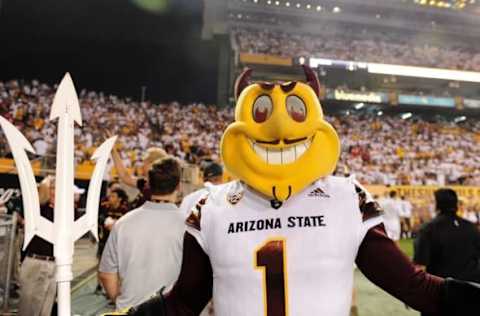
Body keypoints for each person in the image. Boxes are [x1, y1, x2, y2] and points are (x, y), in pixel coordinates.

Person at [122, 67, 480, 316]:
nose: (279, 130)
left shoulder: (345, 196)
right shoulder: (211, 205)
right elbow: (185, 300)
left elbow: (413, 286)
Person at [98, 157, 185, 311]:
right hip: (169, 311)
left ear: (149, 185)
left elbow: (106, 274)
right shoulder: (189, 226)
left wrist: (121, 300)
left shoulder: (123, 223)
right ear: (178, 186)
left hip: (129, 309)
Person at [414, 188, 480, 283]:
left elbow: (420, 264)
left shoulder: (429, 228)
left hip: (443, 288)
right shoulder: (471, 227)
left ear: (438, 205)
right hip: (471, 287)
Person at [18, 176, 56, 316]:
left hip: (54, 264)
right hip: (35, 262)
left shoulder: (64, 212)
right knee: (28, 309)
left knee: (45, 309)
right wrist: (45, 187)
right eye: (53, 188)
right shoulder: (37, 207)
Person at [110, 140, 168, 208]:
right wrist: (113, 151)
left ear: (153, 164)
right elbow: (125, 176)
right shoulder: (145, 183)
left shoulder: (162, 189)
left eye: (145, 162)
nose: (142, 165)